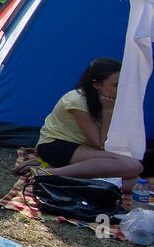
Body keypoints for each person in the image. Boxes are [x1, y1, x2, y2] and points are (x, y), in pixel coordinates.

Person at [18, 58, 144, 200]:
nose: (121, 89)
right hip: (56, 145)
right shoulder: (77, 101)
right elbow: (102, 144)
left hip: (86, 149)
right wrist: (108, 111)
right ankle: (50, 174)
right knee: (133, 166)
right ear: (96, 84)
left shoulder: (110, 99)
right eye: (116, 85)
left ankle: (70, 182)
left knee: (135, 182)